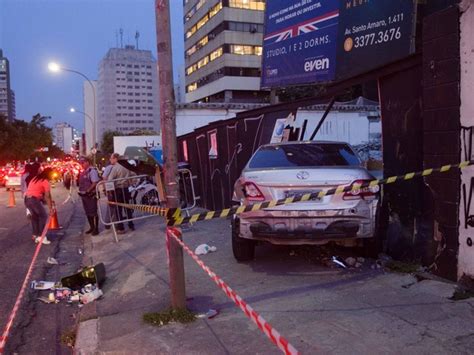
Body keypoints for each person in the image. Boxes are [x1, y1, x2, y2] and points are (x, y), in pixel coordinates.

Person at [24, 167, 54, 244]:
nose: (52, 176)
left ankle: (35, 235)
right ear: (48, 174)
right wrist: (51, 208)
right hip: (33, 200)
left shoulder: (35, 178)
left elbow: (43, 195)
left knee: (35, 217)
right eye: (52, 174)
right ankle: (42, 237)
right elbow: (47, 196)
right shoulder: (45, 181)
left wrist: (50, 201)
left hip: (27, 199)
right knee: (43, 216)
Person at [107, 153, 135, 233]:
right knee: (127, 208)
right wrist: (130, 183)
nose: (110, 160)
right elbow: (133, 175)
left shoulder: (115, 168)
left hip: (118, 190)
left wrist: (109, 191)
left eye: (111, 158)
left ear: (116, 158)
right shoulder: (126, 166)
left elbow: (110, 180)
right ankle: (131, 225)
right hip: (126, 189)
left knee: (118, 209)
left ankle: (121, 228)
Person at [78, 156, 100, 236]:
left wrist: (88, 191)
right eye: (81, 163)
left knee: (93, 212)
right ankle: (92, 227)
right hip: (84, 195)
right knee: (88, 212)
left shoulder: (92, 171)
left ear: (87, 162)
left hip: (91, 195)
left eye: (83, 163)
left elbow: (94, 183)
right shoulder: (84, 171)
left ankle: (96, 229)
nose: (82, 164)